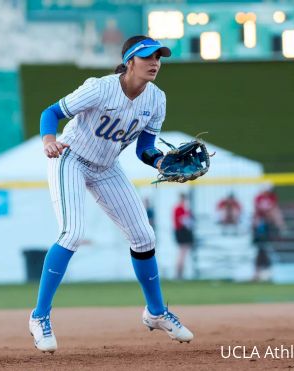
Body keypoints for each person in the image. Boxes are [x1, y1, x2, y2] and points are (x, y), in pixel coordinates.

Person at [29, 35, 194, 353]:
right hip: (71, 157)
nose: (155, 63)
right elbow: (50, 112)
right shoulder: (100, 87)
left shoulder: (156, 99)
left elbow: (144, 148)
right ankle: (39, 317)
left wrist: (161, 162)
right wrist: (48, 140)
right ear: (130, 60)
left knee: (144, 237)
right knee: (73, 232)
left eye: (159, 57)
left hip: (107, 167)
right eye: (147, 57)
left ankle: (156, 313)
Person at [173, 193, 194, 280]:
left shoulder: (182, 208)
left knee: (182, 253)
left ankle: (179, 274)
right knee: (182, 253)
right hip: (181, 232)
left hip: (181, 231)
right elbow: (184, 222)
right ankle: (179, 274)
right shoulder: (179, 208)